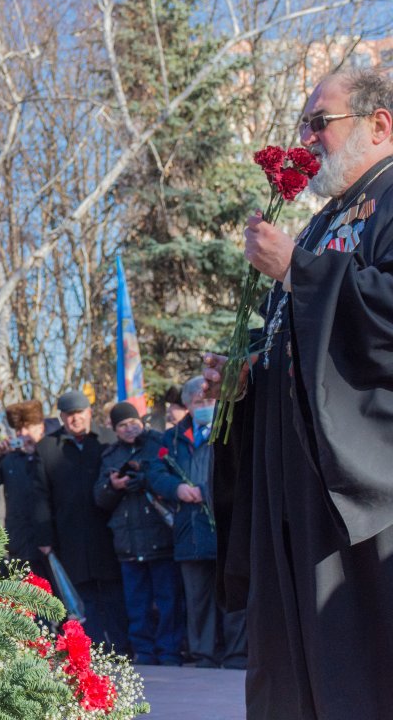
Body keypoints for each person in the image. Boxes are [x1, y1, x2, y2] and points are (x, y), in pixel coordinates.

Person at [203, 67, 393, 717]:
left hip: (366, 484)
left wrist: (300, 273)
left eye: (320, 123)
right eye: (304, 124)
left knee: (361, 658)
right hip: (298, 481)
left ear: (379, 124)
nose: (306, 140)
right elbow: (298, 340)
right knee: (293, 658)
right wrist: (245, 374)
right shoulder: (317, 225)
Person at [148, 378, 244, 670]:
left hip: (227, 525)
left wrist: (207, 488)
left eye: (210, 401)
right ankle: (202, 654)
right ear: (188, 406)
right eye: (199, 403)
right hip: (189, 530)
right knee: (198, 599)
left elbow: (241, 470)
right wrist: (175, 488)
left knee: (232, 594)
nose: (205, 407)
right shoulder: (172, 438)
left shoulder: (232, 429)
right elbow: (153, 472)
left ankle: (237, 654)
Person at [35, 389, 129, 653]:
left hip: (108, 531)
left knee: (112, 592)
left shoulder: (107, 440)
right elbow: (40, 496)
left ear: (89, 412)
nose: (75, 419)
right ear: (62, 417)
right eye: (69, 415)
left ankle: (121, 647)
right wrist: (45, 538)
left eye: (79, 413)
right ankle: (96, 649)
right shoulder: (47, 448)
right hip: (70, 534)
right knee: (81, 595)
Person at [95, 402, 181, 666]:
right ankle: (143, 651)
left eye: (133, 422)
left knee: (168, 602)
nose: (129, 428)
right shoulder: (109, 456)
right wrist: (114, 486)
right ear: (115, 428)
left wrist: (146, 479)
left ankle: (169, 652)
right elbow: (99, 497)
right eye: (122, 425)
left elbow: (174, 477)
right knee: (137, 605)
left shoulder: (159, 444)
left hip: (160, 537)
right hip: (127, 543)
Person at [0, 400, 51, 577]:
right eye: (18, 430)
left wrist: (37, 453)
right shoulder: (11, 458)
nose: (22, 434)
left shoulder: (50, 452)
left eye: (27, 428)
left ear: (41, 426)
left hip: (49, 541)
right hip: (20, 541)